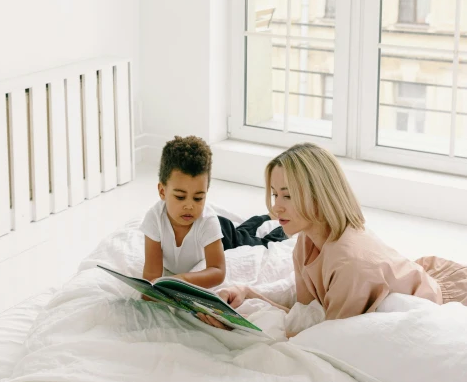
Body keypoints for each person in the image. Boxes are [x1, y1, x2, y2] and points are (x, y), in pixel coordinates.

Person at [199, 142, 467, 327]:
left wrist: (243, 323)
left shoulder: (349, 265)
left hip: (446, 301)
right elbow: (303, 311)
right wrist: (247, 292)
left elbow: (322, 339)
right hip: (420, 275)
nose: (277, 206)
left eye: (288, 195)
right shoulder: (305, 242)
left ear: (319, 196)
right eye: (275, 194)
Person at [140, 135, 288, 290]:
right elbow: (152, 274)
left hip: (224, 234)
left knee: (251, 240)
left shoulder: (208, 222)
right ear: (162, 191)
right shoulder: (154, 219)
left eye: (198, 198)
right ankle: (264, 217)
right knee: (242, 229)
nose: (189, 206)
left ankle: (277, 226)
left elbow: (217, 271)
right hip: (215, 231)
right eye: (180, 197)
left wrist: (181, 279)